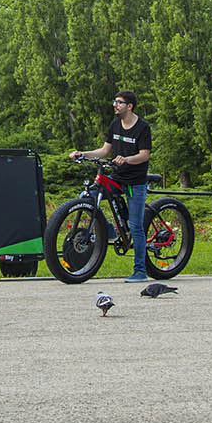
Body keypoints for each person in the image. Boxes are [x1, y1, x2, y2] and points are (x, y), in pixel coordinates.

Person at [69, 90, 154, 283]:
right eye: (114, 102)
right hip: (117, 177)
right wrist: (83, 154)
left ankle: (140, 271)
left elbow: (144, 155)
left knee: (135, 226)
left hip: (135, 182)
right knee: (86, 196)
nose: (115, 105)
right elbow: (105, 150)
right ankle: (109, 230)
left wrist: (127, 159)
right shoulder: (115, 125)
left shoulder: (142, 127)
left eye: (119, 102)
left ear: (129, 106)